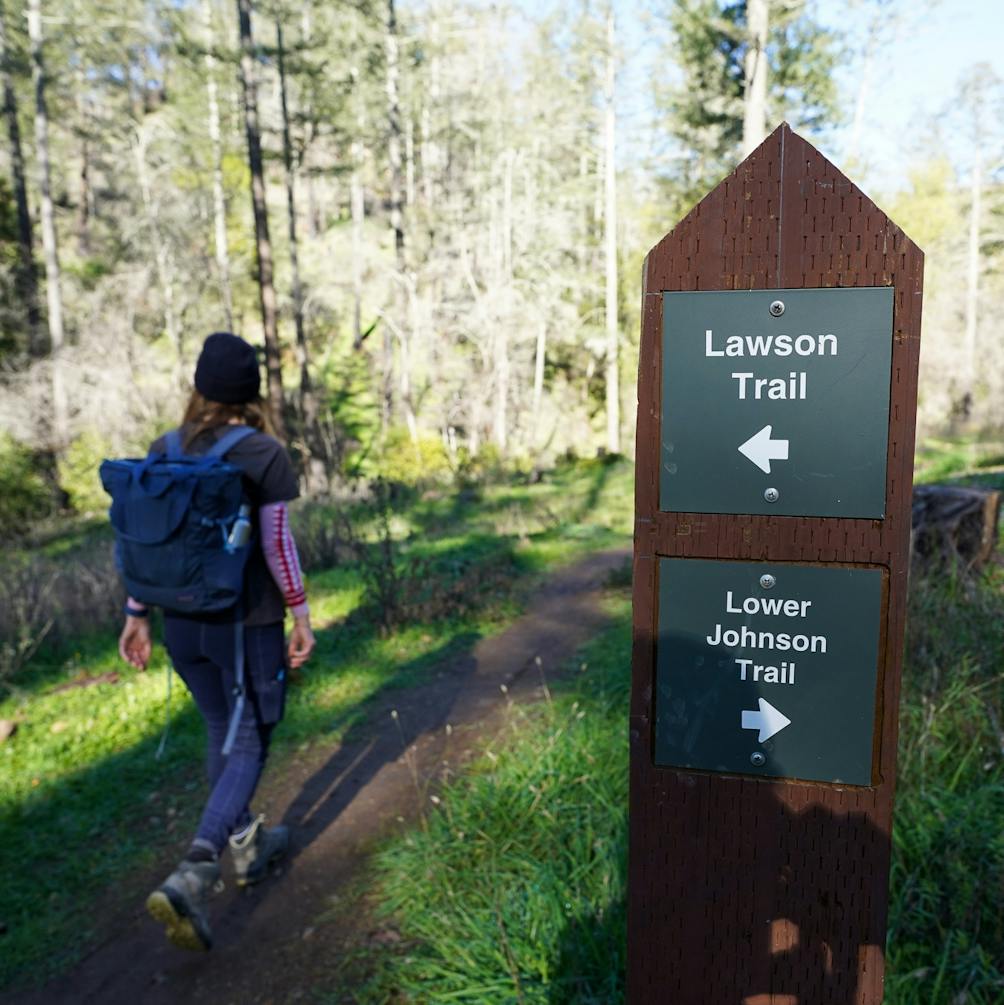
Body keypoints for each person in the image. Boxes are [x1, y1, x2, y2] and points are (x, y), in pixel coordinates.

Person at [117, 331, 316, 952]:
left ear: (199, 388)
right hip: (245, 625)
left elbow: (141, 543)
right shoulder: (263, 454)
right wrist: (302, 613)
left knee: (219, 731)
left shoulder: (165, 448)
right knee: (251, 739)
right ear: (250, 393)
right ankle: (196, 869)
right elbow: (278, 545)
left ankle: (248, 846)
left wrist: (135, 614)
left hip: (182, 627)